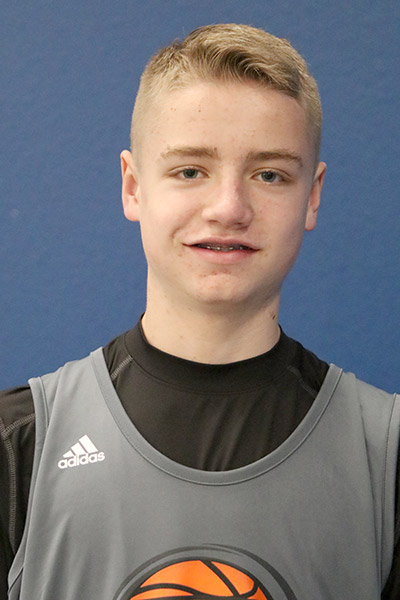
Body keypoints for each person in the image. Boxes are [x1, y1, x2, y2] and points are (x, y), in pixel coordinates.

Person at [0, 23, 399, 599]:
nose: (229, 208)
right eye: (190, 170)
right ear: (133, 186)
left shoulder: (386, 456)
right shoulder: (19, 446)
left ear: (311, 196)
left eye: (269, 174)